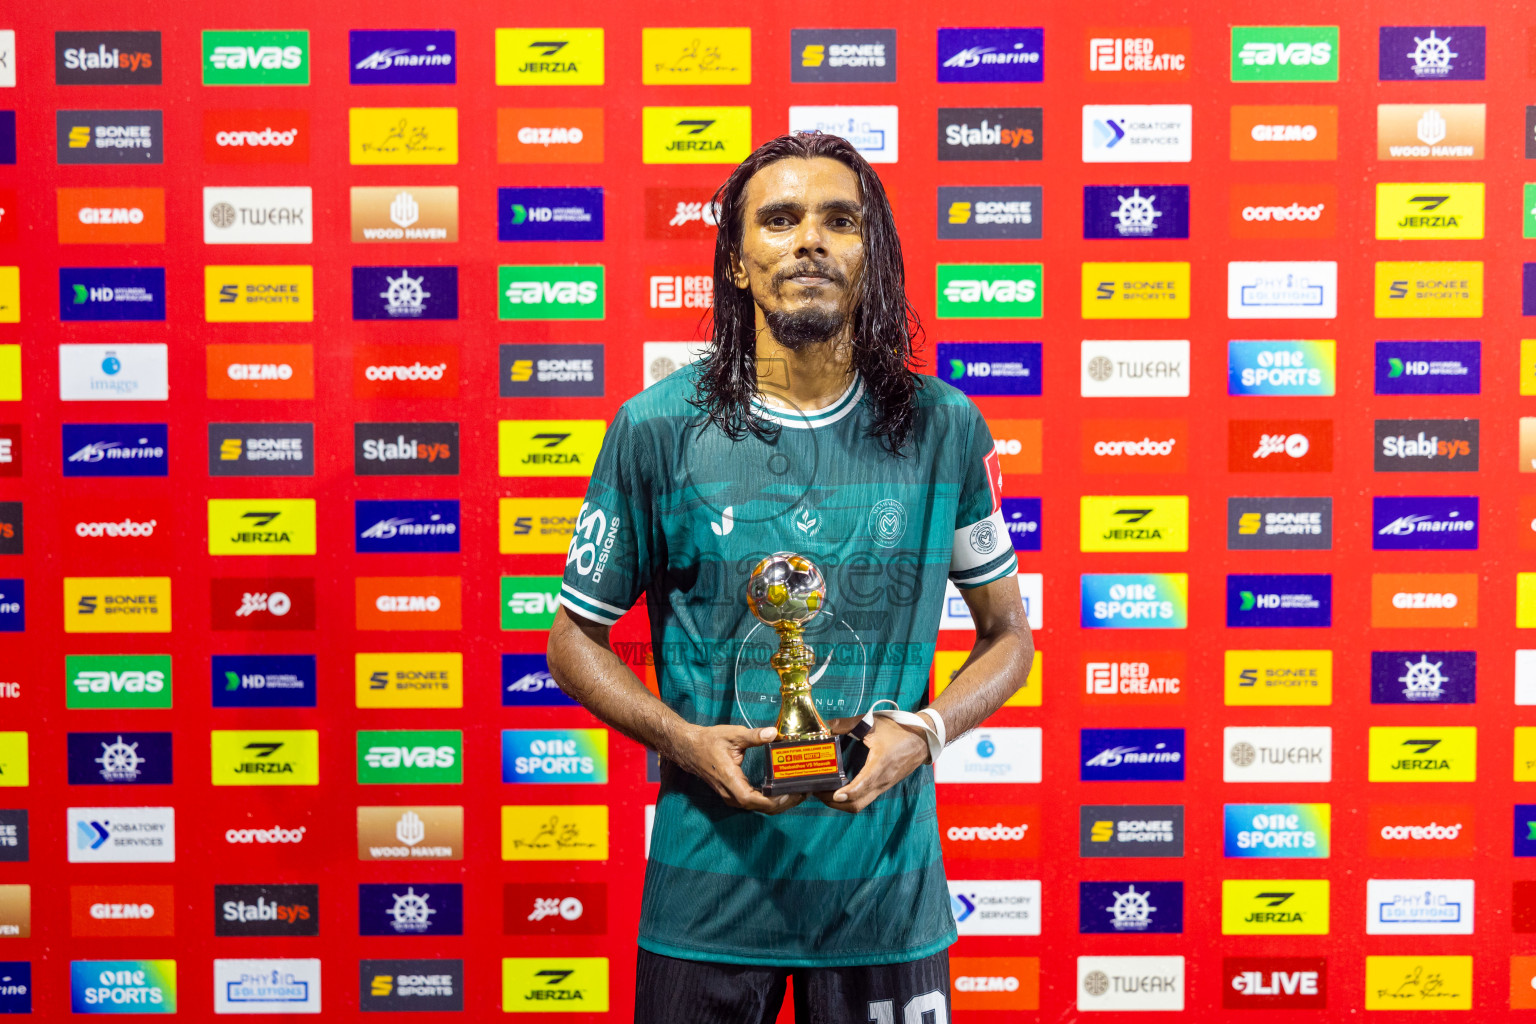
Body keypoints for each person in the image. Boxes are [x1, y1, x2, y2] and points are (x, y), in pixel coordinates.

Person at [546, 132, 1036, 1024]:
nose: (809, 239)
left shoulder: (946, 427)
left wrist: (925, 732)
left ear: (871, 254)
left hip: (884, 903)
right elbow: (574, 639)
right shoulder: (656, 429)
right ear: (736, 262)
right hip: (707, 898)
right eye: (779, 220)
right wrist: (682, 740)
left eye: (839, 220)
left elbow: (1010, 637)